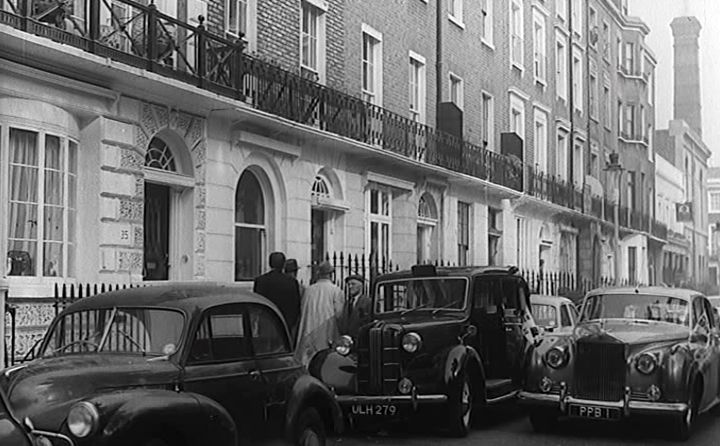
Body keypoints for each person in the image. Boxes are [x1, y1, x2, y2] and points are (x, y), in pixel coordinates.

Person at [295, 261, 344, 366]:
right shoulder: (335, 290)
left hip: (308, 333)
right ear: (331, 274)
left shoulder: (308, 290)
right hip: (326, 333)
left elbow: (302, 310)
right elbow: (339, 315)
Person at [253, 252, 301, 342]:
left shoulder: (260, 281)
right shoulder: (291, 282)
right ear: (283, 265)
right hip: (285, 323)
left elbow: (257, 303)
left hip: (266, 321)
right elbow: (296, 305)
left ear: (269, 264)